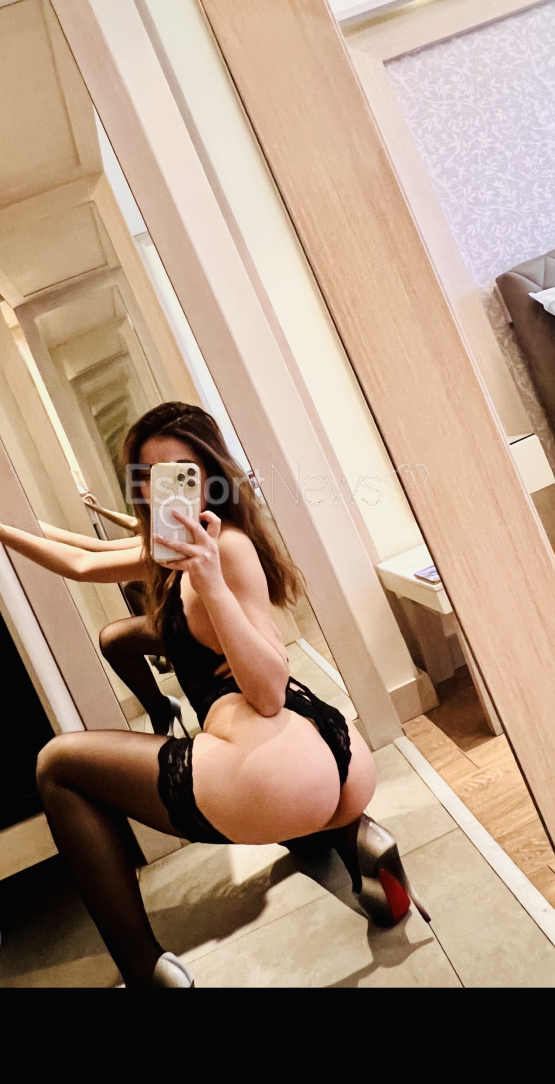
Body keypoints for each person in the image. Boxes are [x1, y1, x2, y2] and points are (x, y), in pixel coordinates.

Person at [0, 401, 430, 988]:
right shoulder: (179, 547)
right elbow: (79, 560)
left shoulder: (224, 549)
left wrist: (212, 587)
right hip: (323, 748)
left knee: (58, 765)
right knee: (289, 815)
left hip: (275, 746)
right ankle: (356, 838)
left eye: (181, 472)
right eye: (149, 476)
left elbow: (269, 690)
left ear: (210, 475)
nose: (161, 488)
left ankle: (146, 971)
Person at [38, 510, 179, 735]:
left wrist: (11, 530)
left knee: (120, 625)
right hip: (189, 624)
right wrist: (31, 526)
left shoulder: (183, 539)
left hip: (203, 633)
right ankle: (162, 705)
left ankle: (170, 680)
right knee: (118, 632)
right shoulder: (170, 533)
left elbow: (84, 562)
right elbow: (98, 549)